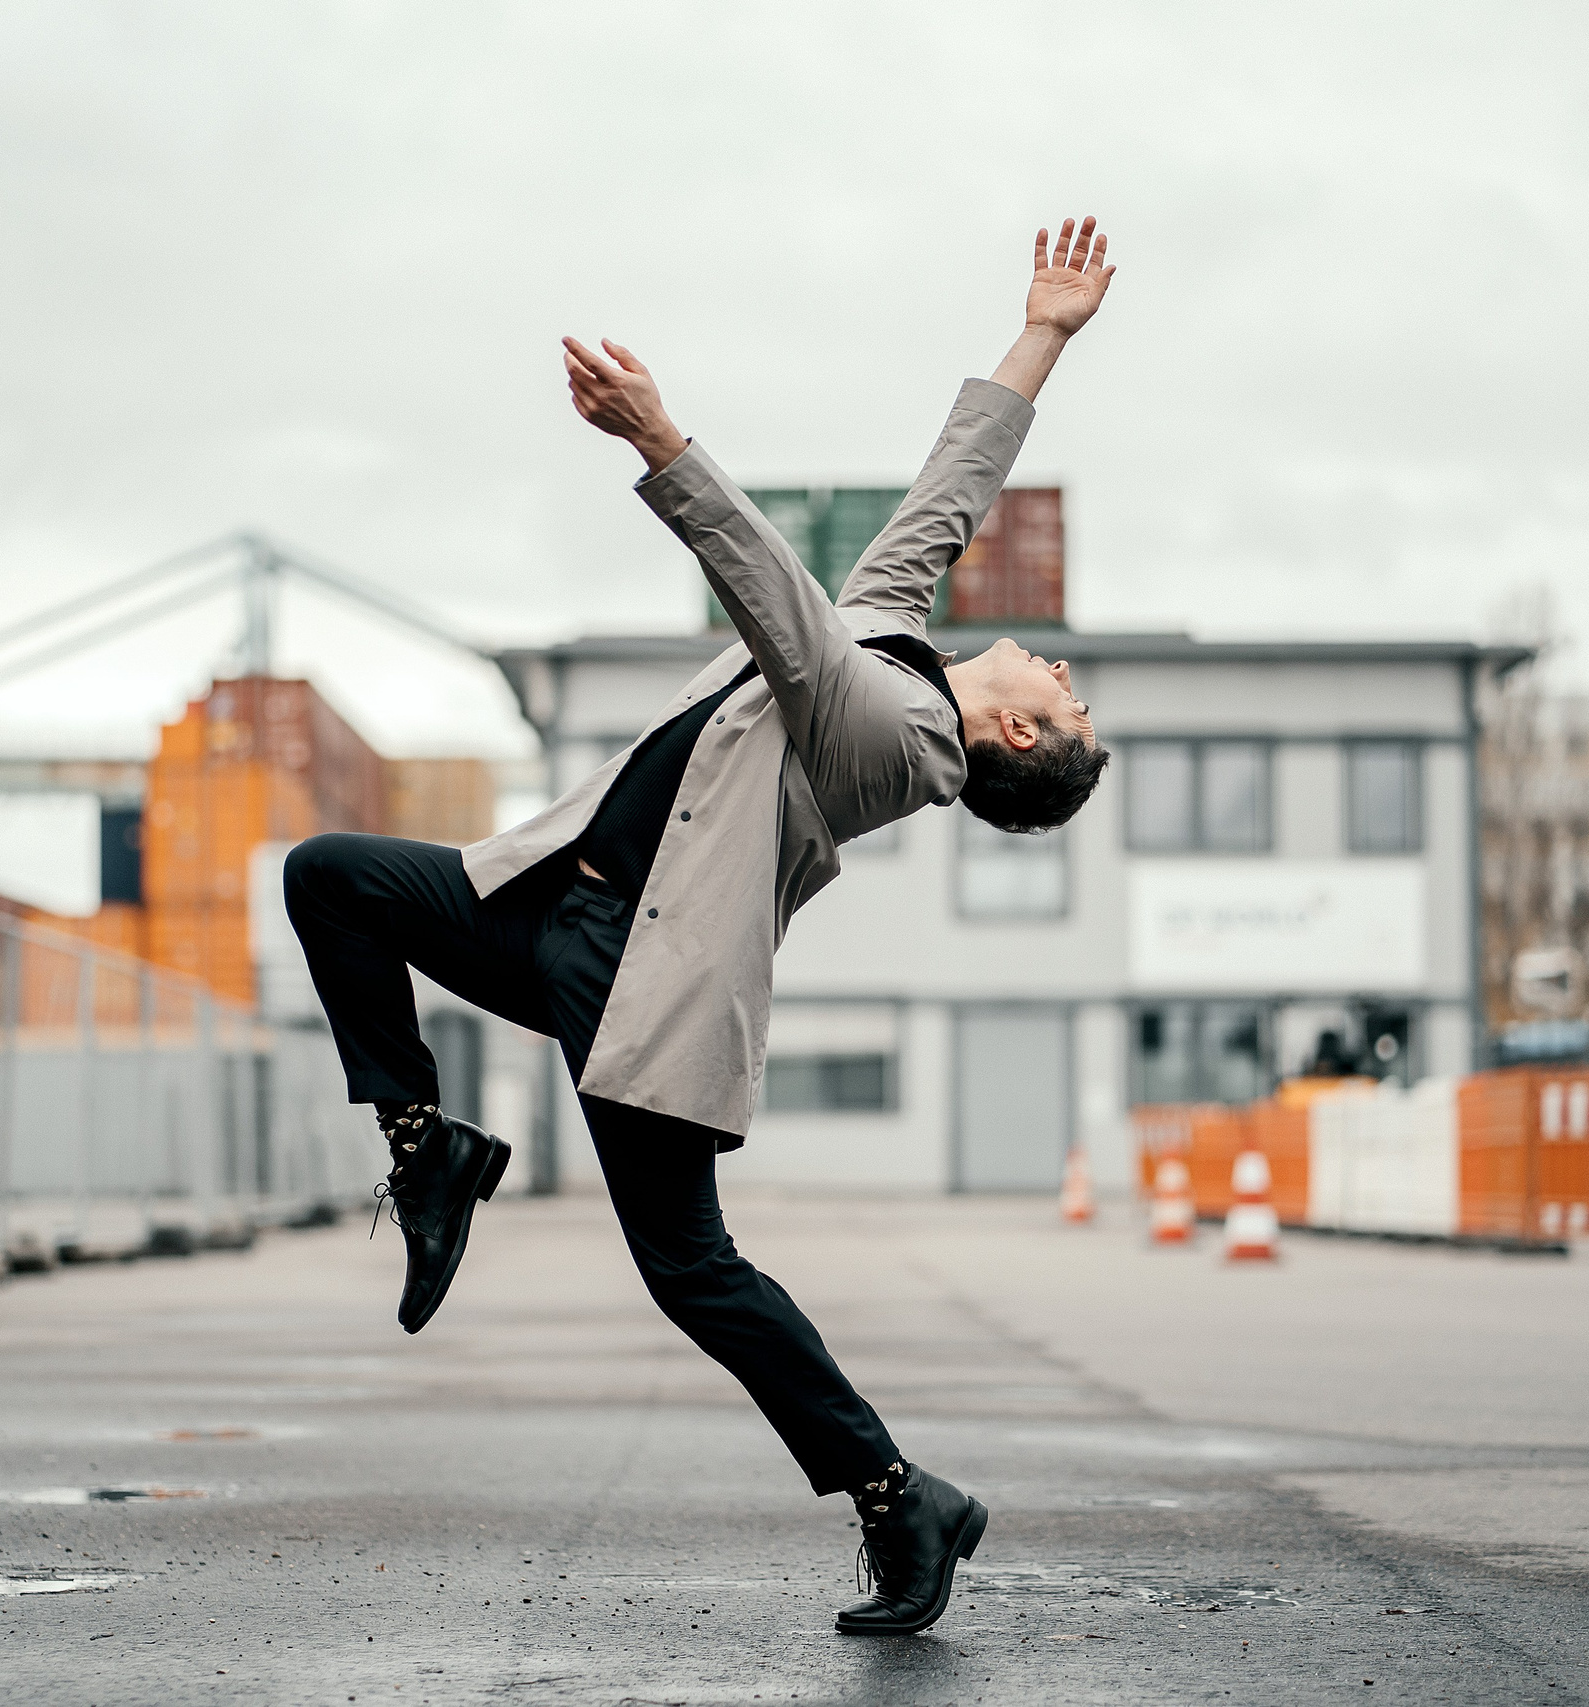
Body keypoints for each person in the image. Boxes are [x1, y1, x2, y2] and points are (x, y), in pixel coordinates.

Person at [283, 216, 1115, 1636]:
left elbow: (781, 610)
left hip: (634, 981)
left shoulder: (901, 736)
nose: (1055, 666)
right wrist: (1043, 333)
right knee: (332, 876)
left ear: (1019, 731)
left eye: (1069, 695)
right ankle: (430, 1152)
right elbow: (943, 502)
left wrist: (661, 443)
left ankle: (899, 1502)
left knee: (694, 1272)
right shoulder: (899, 644)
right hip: (549, 907)